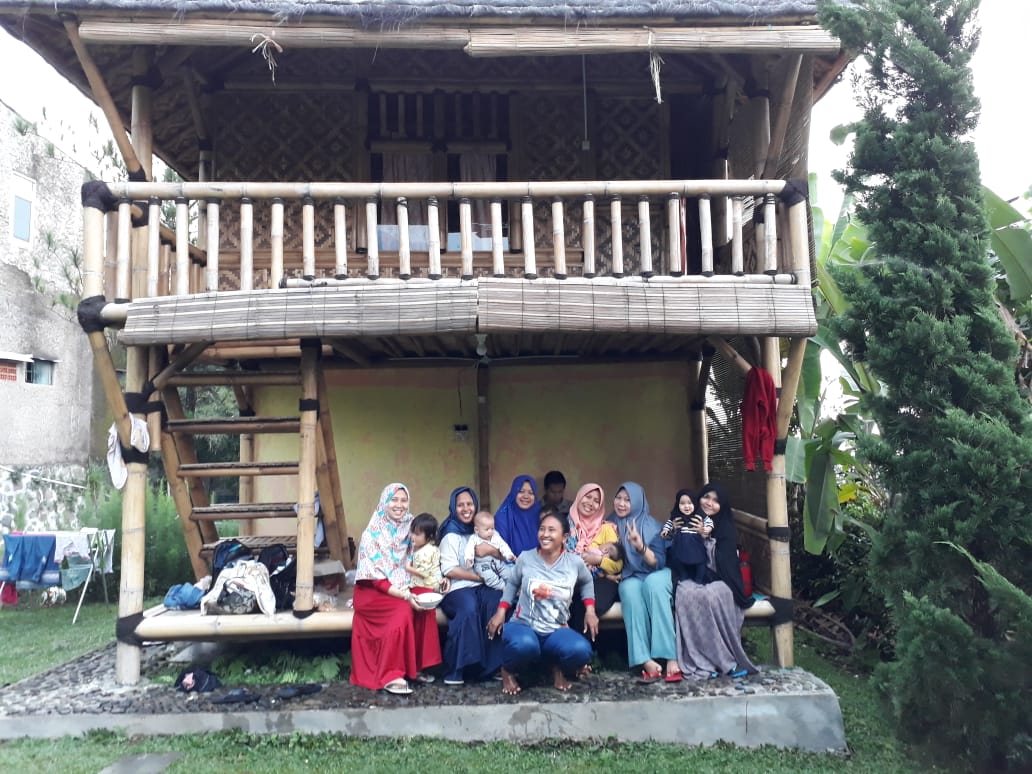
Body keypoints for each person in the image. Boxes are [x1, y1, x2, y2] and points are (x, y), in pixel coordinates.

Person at [486, 511, 598, 695]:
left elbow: (587, 581)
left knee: (581, 651)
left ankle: (556, 667)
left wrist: (590, 611)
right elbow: (512, 583)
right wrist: (500, 612)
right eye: (542, 529)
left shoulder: (574, 563)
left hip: (556, 629)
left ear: (564, 537)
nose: (545, 534)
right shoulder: (526, 558)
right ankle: (507, 670)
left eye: (551, 530)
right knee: (525, 645)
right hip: (523, 625)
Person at [350, 483, 442, 695]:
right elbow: (376, 580)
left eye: (404, 500)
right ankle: (391, 674)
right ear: (385, 501)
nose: (399, 505)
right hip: (373, 592)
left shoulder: (410, 525)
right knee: (402, 610)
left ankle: (415, 667)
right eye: (394, 500)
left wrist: (437, 578)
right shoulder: (372, 534)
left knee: (425, 600)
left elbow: (426, 547)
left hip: (403, 583)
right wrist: (405, 596)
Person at [672, 482, 757, 680]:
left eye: (716, 501)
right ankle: (698, 659)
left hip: (721, 579)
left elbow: (726, 564)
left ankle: (723, 660)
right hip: (692, 577)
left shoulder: (725, 527)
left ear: (722, 505)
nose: (709, 503)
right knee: (686, 594)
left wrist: (707, 537)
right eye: (706, 497)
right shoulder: (685, 519)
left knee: (710, 596)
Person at [610, 481, 680, 683]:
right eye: (618, 498)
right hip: (631, 574)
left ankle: (670, 656)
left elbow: (657, 563)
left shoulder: (653, 527)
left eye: (627, 500)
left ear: (638, 502)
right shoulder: (610, 524)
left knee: (654, 586)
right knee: (629, 591)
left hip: (657, 572)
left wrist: (640, 546)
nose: (621, 503)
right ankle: (644, 659)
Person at [437, 486, 504, 685]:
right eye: (460, 505)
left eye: (470, 504)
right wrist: (481, 578)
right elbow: (449, 570)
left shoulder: (483, 530)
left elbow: (500, 554)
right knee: (468, 608)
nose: (466, 509)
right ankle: (457, 669)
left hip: (481, 586)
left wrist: (491, 551)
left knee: (496, 601)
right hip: (457, 587)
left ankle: (490, 667)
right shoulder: (450, 533)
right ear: (453, 507)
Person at [664, 490, 712, 585]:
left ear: (694, 503)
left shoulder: (699, 513)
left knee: (701, 561)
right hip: (681, 544)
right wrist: (666, 529)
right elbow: (669, 522)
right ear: (678, 504)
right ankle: (683, 575)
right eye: (682, 503)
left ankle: (699, 579)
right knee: (677, 559)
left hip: (696, 544)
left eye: (689, 503)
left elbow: (709, 522)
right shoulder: (676, 514)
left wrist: (707, 529)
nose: (686, 506)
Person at [463, 510, 516, 591]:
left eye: (492, 528)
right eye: (487, 529)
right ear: (477, 530)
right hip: (482, 564)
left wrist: (508, 555)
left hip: (497, 561)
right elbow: (469, 549)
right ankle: (502, 587)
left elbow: (503, 545)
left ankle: (514, 588)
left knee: (508, 573)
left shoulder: (495, 536)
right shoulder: (474, 539)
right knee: (489, 576)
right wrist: (468, 559)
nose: (491, 532)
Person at [493, 474, 542, 555]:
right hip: (511, 562)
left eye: (531, 493)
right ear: (514, 493)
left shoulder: (541, 516)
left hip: (540, 562)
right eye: (521, 491)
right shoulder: (502, 517)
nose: (526, 496)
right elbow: (499, 550)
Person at [405, 512, 445, 593]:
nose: (412, 536)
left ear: (429, 536)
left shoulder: (426, 553)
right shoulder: (430, 548)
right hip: (430, 584)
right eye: (412, 532)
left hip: (428, 586)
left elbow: (424, 573)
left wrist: (407, 567)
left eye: (417, 534)